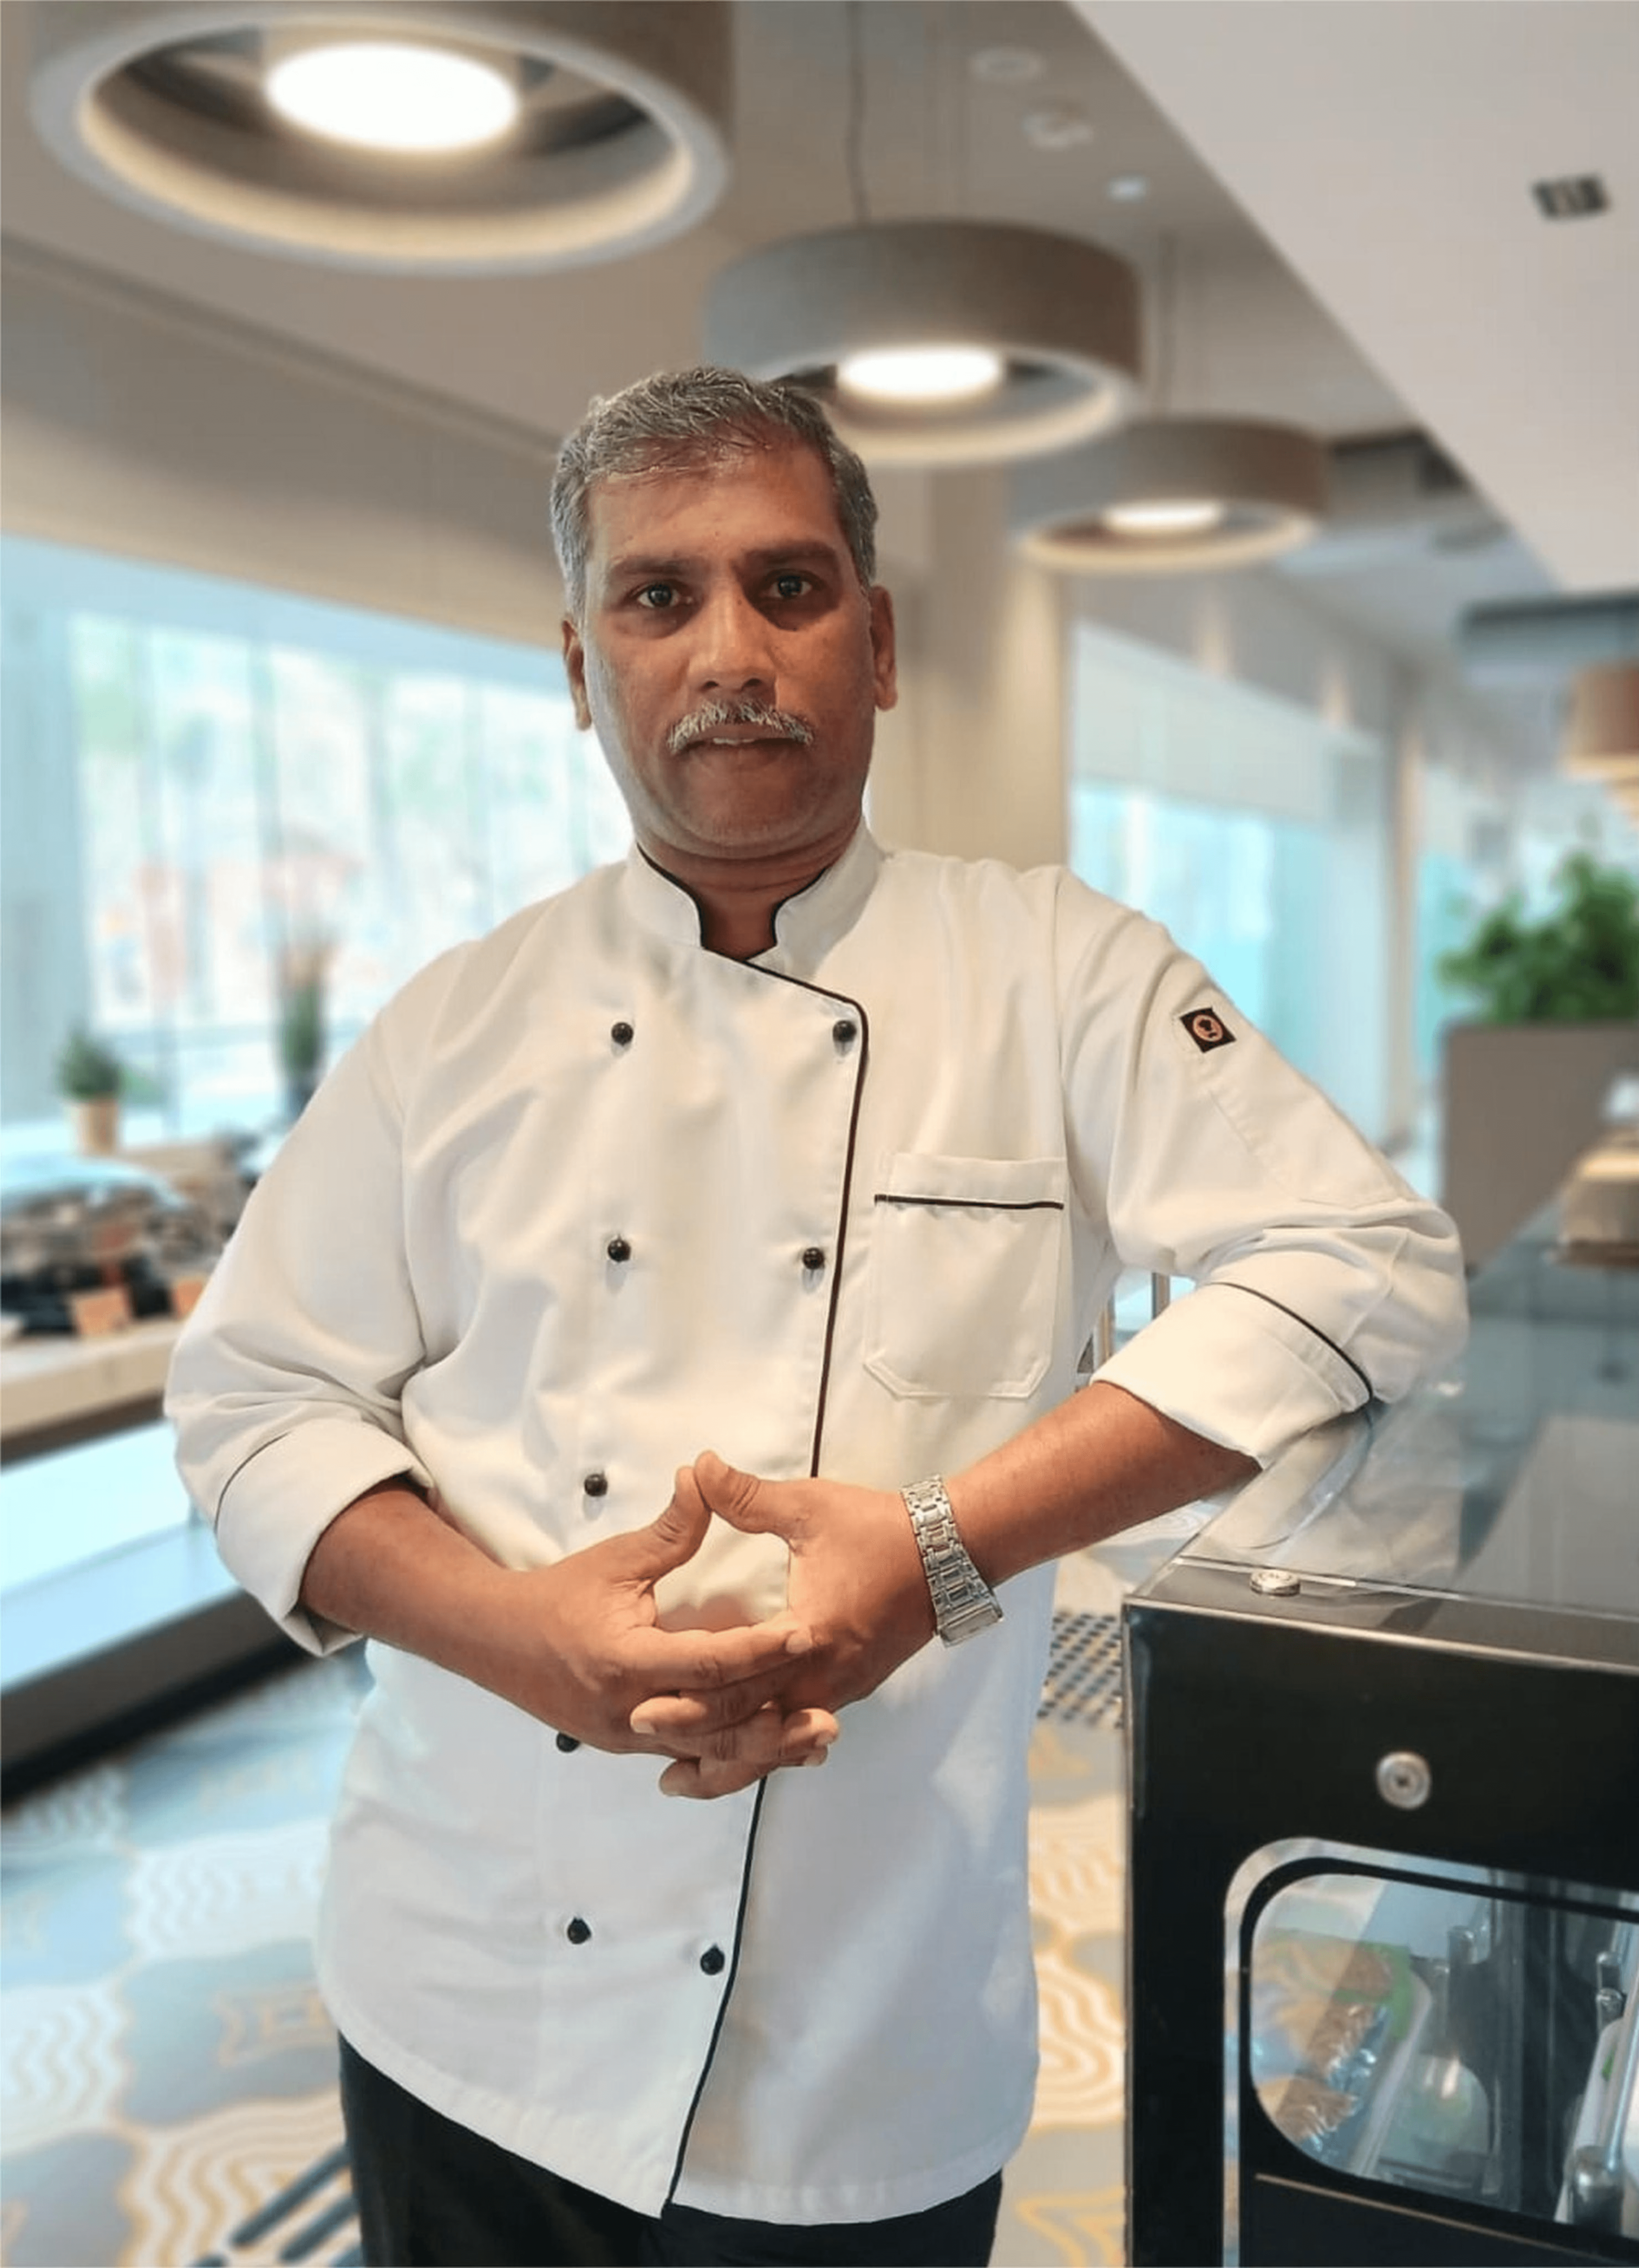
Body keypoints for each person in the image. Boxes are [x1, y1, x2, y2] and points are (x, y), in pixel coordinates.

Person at [167, 365, 1467, 2267]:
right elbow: (255, 1401)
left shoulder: (1056, 966)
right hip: (460, 1984)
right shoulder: (451, 1023)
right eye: (658, 595)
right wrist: (520, 1636)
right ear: (579, 662)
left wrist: (943, 1544)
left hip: (861, 2028)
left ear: (880, 641)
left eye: (788, 589)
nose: (729, 654)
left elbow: (1367, 1260)